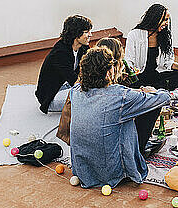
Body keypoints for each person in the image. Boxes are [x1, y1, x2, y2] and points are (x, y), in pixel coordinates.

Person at [69, 46, 171, 188]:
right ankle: (137, 157)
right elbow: (163, 98)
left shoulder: (75, 91)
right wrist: (152, 91)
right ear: (108, 73)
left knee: (122, 114)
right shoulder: (120, 96)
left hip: (83, 171)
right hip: (110, 173)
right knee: (138, 111)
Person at [97, 37, 163, 155]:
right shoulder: (111, 78)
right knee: (152, 104)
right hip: (110, 139)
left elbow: (128, 87)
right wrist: (146, 93)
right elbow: (121, 95)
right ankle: (138, 150)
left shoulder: (90, 72)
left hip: (93, 137)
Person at [125, 3, 178, 91]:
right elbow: (129, 61)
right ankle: (154, 91)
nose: (166, 23)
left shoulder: (166, 37)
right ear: (154, 19)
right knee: (128, 83)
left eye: (167, 20)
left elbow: (168, 63)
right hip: (139, 77)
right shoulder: (134, 35)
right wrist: (131, 74)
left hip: (157, 76)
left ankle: (149, 91)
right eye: (164, 20)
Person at [35, 15, 92, 113]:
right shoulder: (60, 53)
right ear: (76, 34)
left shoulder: (83, 47)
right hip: (51, 97)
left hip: (64, 85)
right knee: (92, 100)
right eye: (86, 32)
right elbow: (74, 81)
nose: (90, 35)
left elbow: (91, 68)